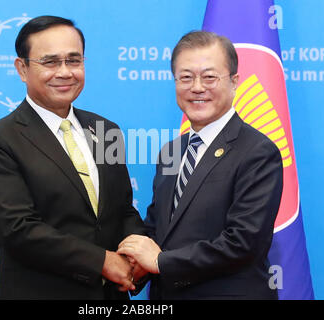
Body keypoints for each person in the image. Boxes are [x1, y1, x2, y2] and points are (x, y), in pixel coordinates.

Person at [0, 15, 145, 299]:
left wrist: (136, 257)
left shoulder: (105, 131)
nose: (65, 72)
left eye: (74, 60)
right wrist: (102, 262)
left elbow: (123, 210)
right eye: (50, 62)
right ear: (22, 68)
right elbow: (18, 230)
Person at [118, 31, 283, 299]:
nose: (196, 87)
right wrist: (130, 265)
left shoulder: (257, 152)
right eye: (185, 77)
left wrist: (160, 263)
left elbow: (242, 243)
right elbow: (158, 228)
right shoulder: (171, 151)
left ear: (234, 82)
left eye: (209, 77)